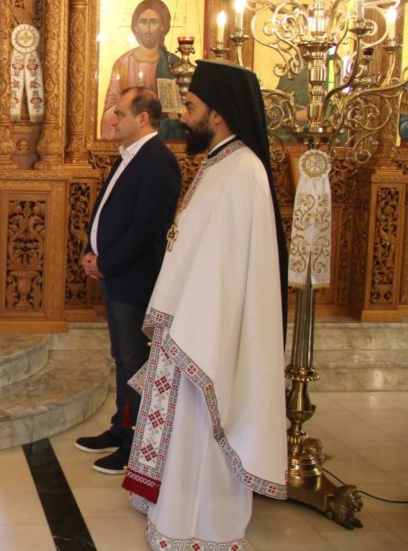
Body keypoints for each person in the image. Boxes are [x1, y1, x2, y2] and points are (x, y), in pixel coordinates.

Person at [123, 60, 288, 549]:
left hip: (209, 331)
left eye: (191, 106)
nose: (183, 115)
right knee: (184, 435)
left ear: (217, 113)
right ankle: (174, 512)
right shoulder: (219, 163)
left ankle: (199, 528)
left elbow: (232, 267)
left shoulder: (244, 170)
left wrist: (196, 324)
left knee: (203, 436)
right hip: (189, 322)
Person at [76, 87, 180, 475]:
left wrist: (106, 263)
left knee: (136, 361)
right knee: (123, 357)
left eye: (120, 113)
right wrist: (91, 251)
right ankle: (120, 427)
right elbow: (107, 212)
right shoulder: (130, 155)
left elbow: (146, 229)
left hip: (134, 279)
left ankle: (135, 442)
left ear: (143, 118)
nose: (113, 119)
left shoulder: (158, 162)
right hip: (115, 274)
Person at [101, 0, 184, 140]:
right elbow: (110, 109)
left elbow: (185, 106)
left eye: (154, 22)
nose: (148, 29)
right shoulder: (123, 64)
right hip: (131, 136)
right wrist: (132, 102)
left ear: (163, 27)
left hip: (165, 137)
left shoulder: (175, 64)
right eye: (143, 22)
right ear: (136, 27)